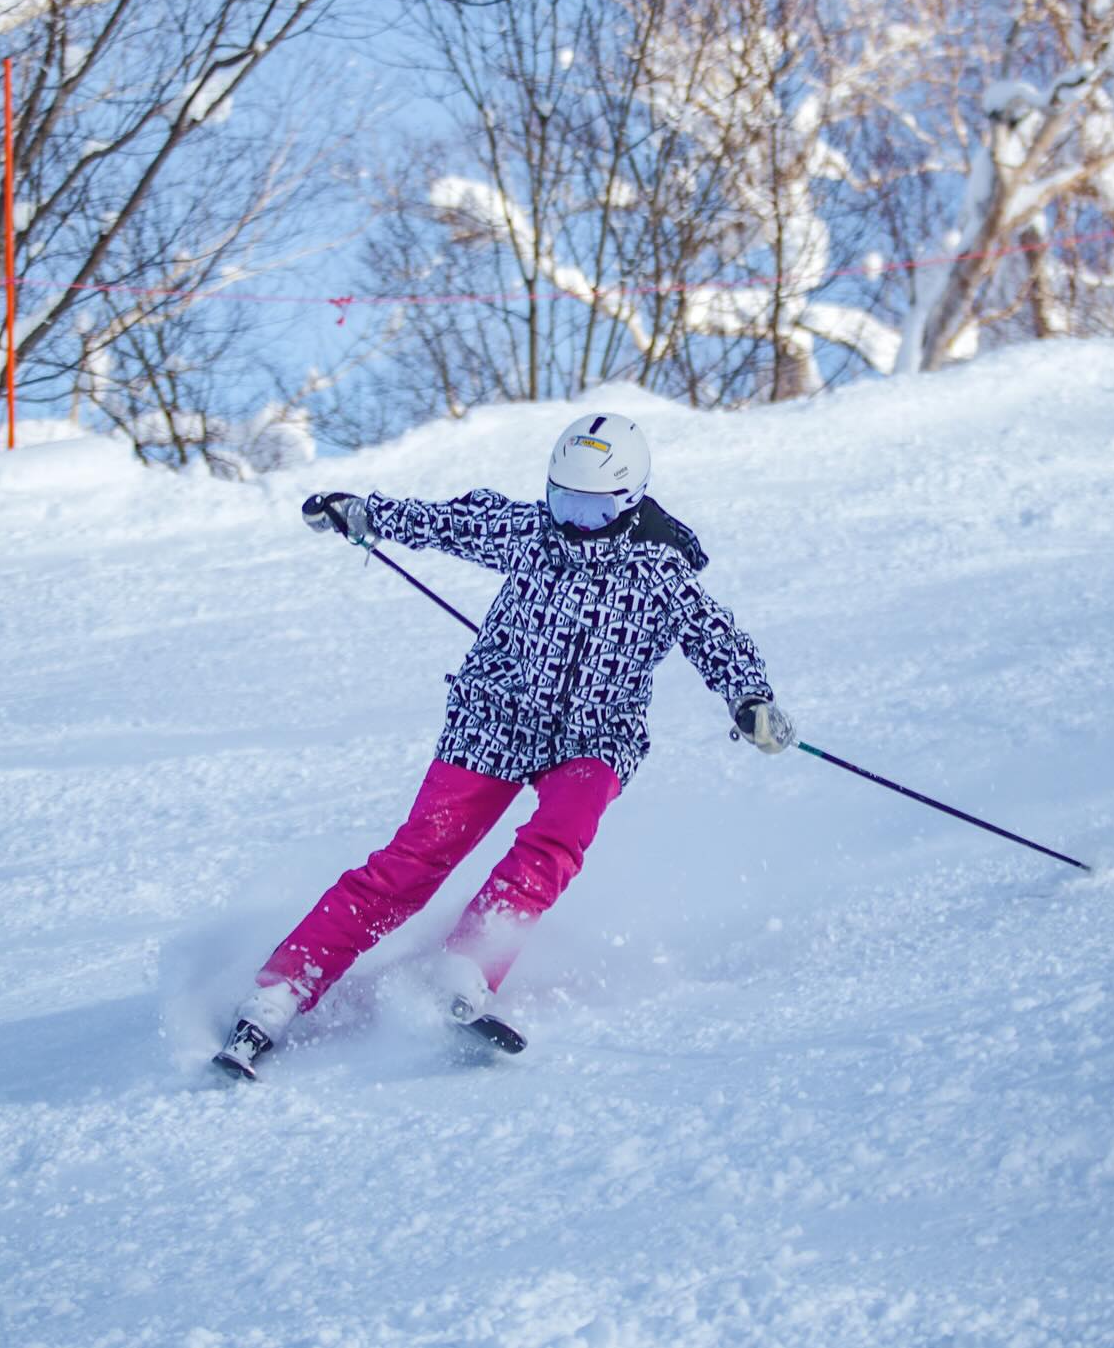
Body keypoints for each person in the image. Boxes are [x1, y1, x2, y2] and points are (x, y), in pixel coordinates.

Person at [213, 412, 794, 1079]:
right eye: (561, 499)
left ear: (630, 500)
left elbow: (715, 636)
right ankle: (282, 988)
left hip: (595, 736)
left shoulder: (660, 573)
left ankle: (466, 966)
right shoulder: (531, 532)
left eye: (590, 506)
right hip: (496, 714)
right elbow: (452, 521)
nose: (571, 519)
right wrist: (366, 513)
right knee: (414, 860)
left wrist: (750, 699)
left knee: (553, 843)